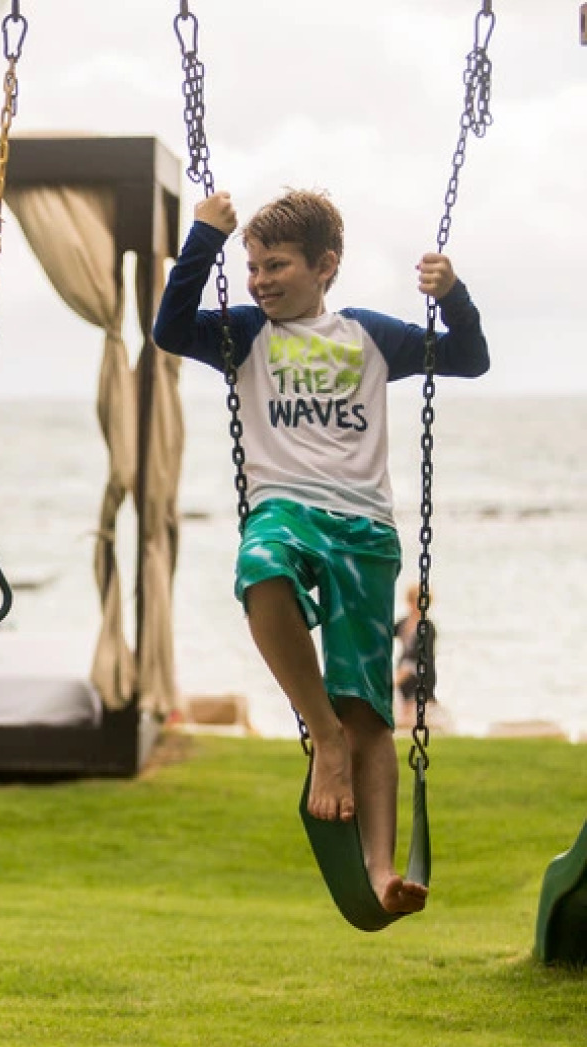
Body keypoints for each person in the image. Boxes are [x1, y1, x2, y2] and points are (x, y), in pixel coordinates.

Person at [153, 189, 489, 916]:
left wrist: (452, 294)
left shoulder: (368, 335)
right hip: (285, 510)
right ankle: (320, 736)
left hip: (364, 529)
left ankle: (377, 874)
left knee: (370, 712)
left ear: (324, 265)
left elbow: (469, 358)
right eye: (250, 266)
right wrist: (204, 241)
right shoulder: (243, 335)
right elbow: (169, 328)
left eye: (275, 265)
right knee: (259, 567)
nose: (258, 280)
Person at [394, 582, 439, 728]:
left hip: (420, 672)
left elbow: (423, 655)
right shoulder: (404, 623)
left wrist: (403, 673)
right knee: (402, 702)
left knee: (415, 706)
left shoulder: (428, 627)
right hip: (404, 669)